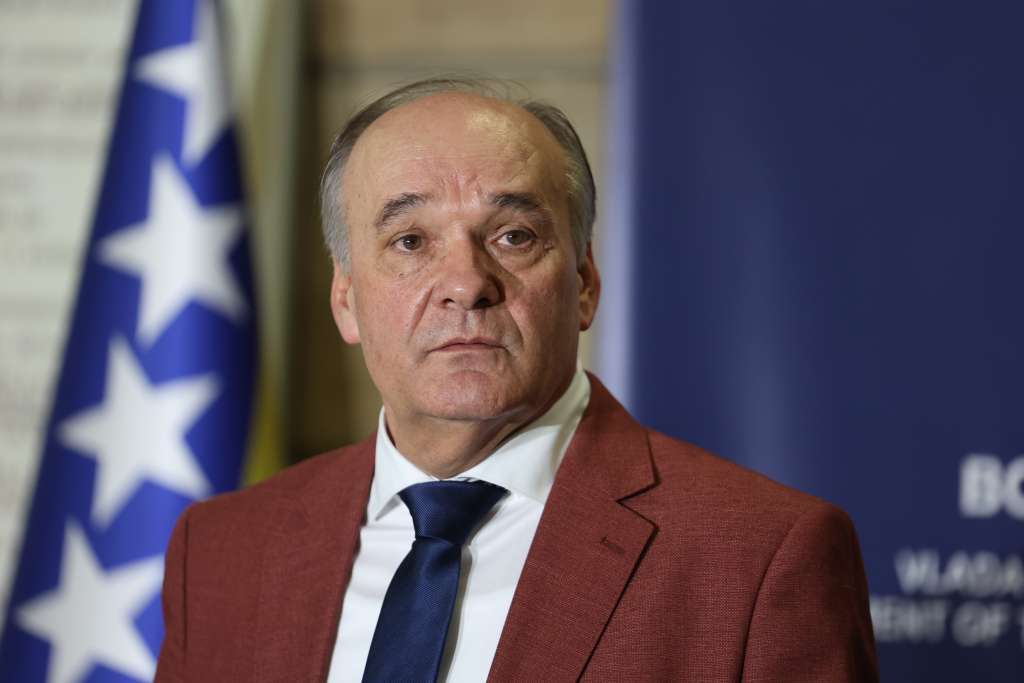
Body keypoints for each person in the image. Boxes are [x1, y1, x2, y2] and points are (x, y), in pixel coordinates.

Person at [155, 78, 878, 682]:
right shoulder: (221, 551)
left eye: (513, 236)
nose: (466, 283)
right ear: (346, 299)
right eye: (410, 241)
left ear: (585, 283)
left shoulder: (761, 558)